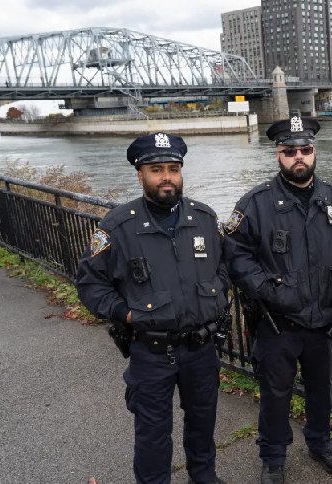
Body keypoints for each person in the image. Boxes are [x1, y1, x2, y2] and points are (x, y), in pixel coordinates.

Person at [75, 132, 229, 484]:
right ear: (140, 174)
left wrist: (217, 293)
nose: (166, 177)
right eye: (156, 169)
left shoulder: (204, 218)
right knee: (153, 435)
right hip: (152, 351)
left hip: (202, 348)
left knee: (203, 424)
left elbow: (223, 267)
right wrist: (126, 314)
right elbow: (90, 284)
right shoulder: (117, 226)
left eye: (173, 168)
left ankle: (204, 478)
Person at [223, 116, 332, 484]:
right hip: (277, 323)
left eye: (305, 150)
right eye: (290, 151)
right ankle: (273, 456)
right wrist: (267, 289)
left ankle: (320, 443)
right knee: (275, 394)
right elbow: (235, 254)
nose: (299, 157)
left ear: (314, 152)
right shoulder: (255, 203)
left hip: (323, 319)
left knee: (320, 389)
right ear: (277, 154)